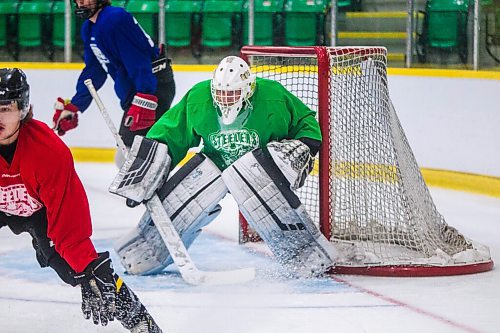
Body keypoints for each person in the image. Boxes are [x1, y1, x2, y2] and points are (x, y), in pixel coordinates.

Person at [109, 56, 338, 278]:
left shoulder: (273, 95)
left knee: (248, 173)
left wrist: (303, 147)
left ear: (248, 89)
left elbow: (305, 123)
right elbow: (169, 134)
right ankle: (147, 252)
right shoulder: (199, 98)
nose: (226, 99)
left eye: (233, 93)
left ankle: (307, 254)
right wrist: (142, 174)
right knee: (183, 198)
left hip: (264, 169)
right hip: (216, 166)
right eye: (221, 93)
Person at [0, 68, 162, 332]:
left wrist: (86, 265)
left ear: (22, 110)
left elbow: (67, 220)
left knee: (81, 271)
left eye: (5, 108)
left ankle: (142, 325)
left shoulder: (48, 151)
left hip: (38, 211)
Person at [52, 0, 175, 155]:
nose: (81, 2)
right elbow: (94, 70)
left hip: (152, 89)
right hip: (138, 92)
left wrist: (145, 97)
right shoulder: (89, 29)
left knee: (131, 156)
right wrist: (75, 105)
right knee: (132, 156)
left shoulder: (114, 19)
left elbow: (138, 58)